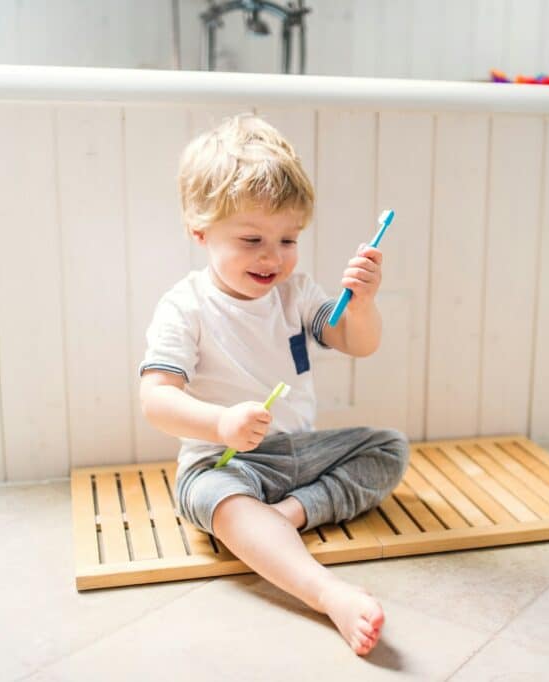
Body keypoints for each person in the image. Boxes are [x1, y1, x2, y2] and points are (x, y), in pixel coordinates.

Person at [138, 114, 409, 656]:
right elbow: (156, 400)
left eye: (288, 239)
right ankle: (326, 593)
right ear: (200, 231)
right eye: (252, 239)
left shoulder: (297, 294)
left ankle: (285, 517)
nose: (273, 256)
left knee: (388, 449)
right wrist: (219, 422)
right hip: (224, 461)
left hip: (298, 453)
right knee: (217, 499)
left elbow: (358, 343)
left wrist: (366, 302)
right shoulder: (185, 307)